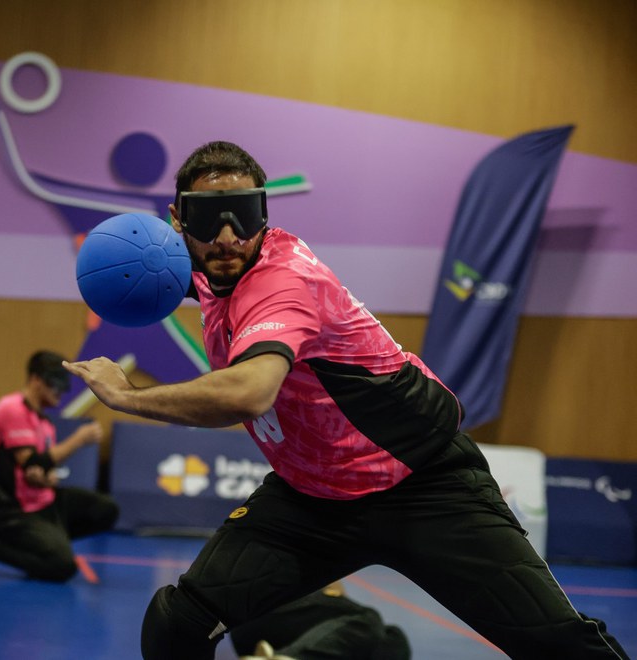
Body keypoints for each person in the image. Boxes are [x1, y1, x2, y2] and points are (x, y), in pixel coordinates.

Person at [63, 141, 629, 659]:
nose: (230, 235)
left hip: (424, 485)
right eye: (209, 218)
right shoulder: (207, 266)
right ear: (178, 223)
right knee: (177, 624)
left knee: (561, 647)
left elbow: (249, 393)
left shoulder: (282, 280)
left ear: (266, 216)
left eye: (247, 214)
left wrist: (128, 396)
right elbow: (158, 268)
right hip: (311, 501)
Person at [0, 350, 119, 582]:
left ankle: (50, 539)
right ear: (35, 380)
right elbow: (33, 462)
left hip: (44, 502)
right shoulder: (11, 408)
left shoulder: (45, 424)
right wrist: (79, 440)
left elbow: (37, 469)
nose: (60, 392)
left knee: (107, 510)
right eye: (55, 384)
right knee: (62, 567)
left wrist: (46, 477)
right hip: (13, 511)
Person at [230, 582, 410, 660]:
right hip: (273, 610)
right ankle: (292, 657)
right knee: (368, 618)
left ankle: (282, 656)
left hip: (249, 628)